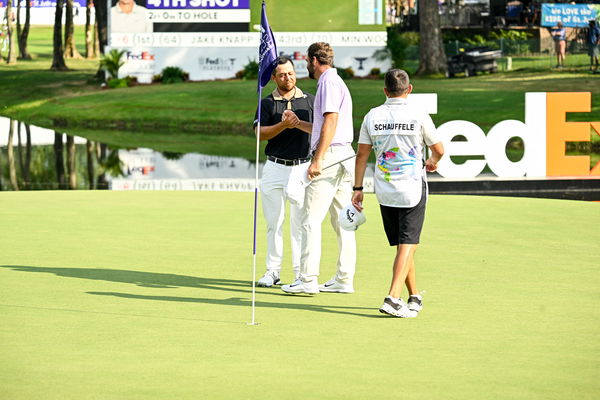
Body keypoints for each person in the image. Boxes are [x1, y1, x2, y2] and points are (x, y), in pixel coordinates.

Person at [352, 69, 444, 318]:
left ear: (385, 91)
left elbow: (362, 155)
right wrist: (433, 161)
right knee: (408, 244)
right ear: (409, 89)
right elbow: (439, 149)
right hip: (412, 188)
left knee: (404, 245)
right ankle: (393, 298)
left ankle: (413, 296)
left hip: (384, 189)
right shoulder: (418, 114)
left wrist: (357, 188)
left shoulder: (372, 116)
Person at [281, 42, 356, 295]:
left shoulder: (327, 82)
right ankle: (344, 279)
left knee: (309, 220)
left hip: (331, 157)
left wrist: (317, 160)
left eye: (307, 62)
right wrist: (298, 123)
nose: (306, 66)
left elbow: (331, 121)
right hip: (344, 156)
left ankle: (307, 279)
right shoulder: (335, 81)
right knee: (342, 222)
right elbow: (324, 125)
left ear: (314, 60)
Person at [254, 56, 315, 287]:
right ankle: (273, 271)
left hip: (301, 168)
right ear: (273, 77)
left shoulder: (309, 100)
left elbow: (319, 129)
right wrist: (283, 125)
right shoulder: (267, 102)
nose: (286, 78)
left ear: (295, 73)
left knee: (299, 224)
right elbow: (260, 134)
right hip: (274, 167)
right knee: (274, 222)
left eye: (290, 73)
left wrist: (297, 123)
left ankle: (300, 272)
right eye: (281, 74)